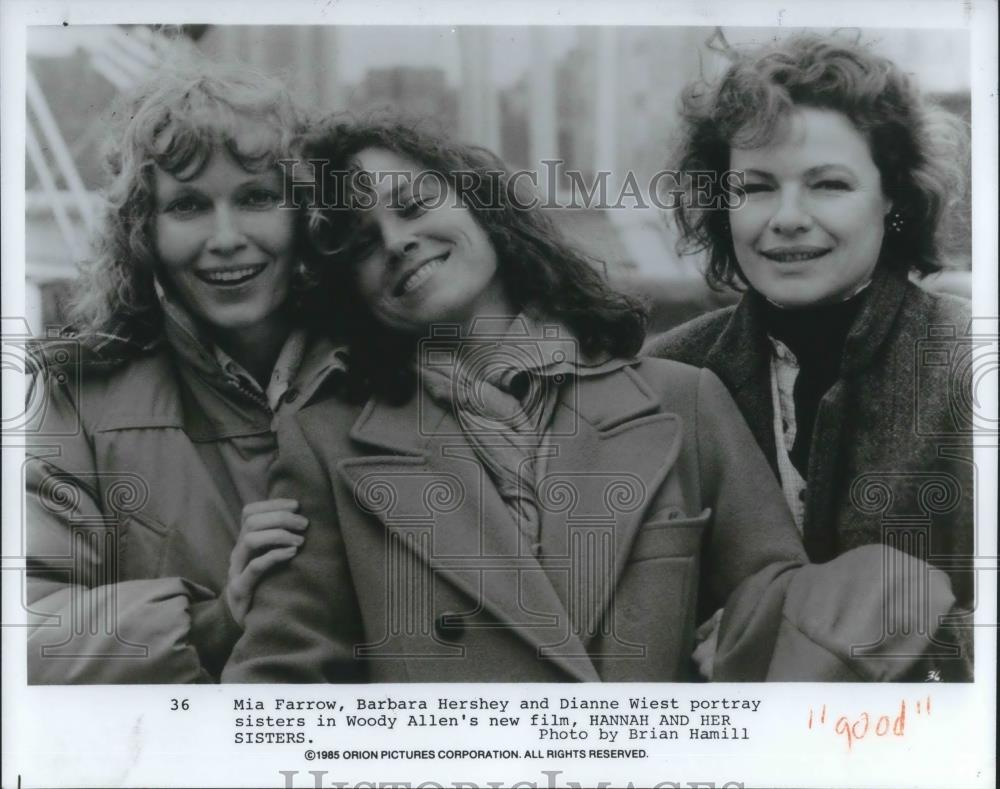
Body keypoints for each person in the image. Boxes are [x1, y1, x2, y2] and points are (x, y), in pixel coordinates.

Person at [223, 120, 958, 683]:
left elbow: (778, 625)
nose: (397, 241)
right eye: (359, 242)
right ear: (346, 288)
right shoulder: (327, 442)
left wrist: (892, 591)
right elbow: (281, 690)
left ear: (481, 205)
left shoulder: (684, 400)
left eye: (414, 205)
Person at [645, 34, 974, 678]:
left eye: (828, 184)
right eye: (756, 187)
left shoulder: (970, 362)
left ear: (894, 199)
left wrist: (814, 635)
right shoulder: (669, 374)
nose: (788, 217)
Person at [25, 58, 348, 683]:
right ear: (143, 232)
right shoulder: (78, 399)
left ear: (306, 213)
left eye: (256, 197)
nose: (225, 238)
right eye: (189, 205)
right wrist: (211, 623)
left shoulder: (383, 370)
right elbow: (27, 636)